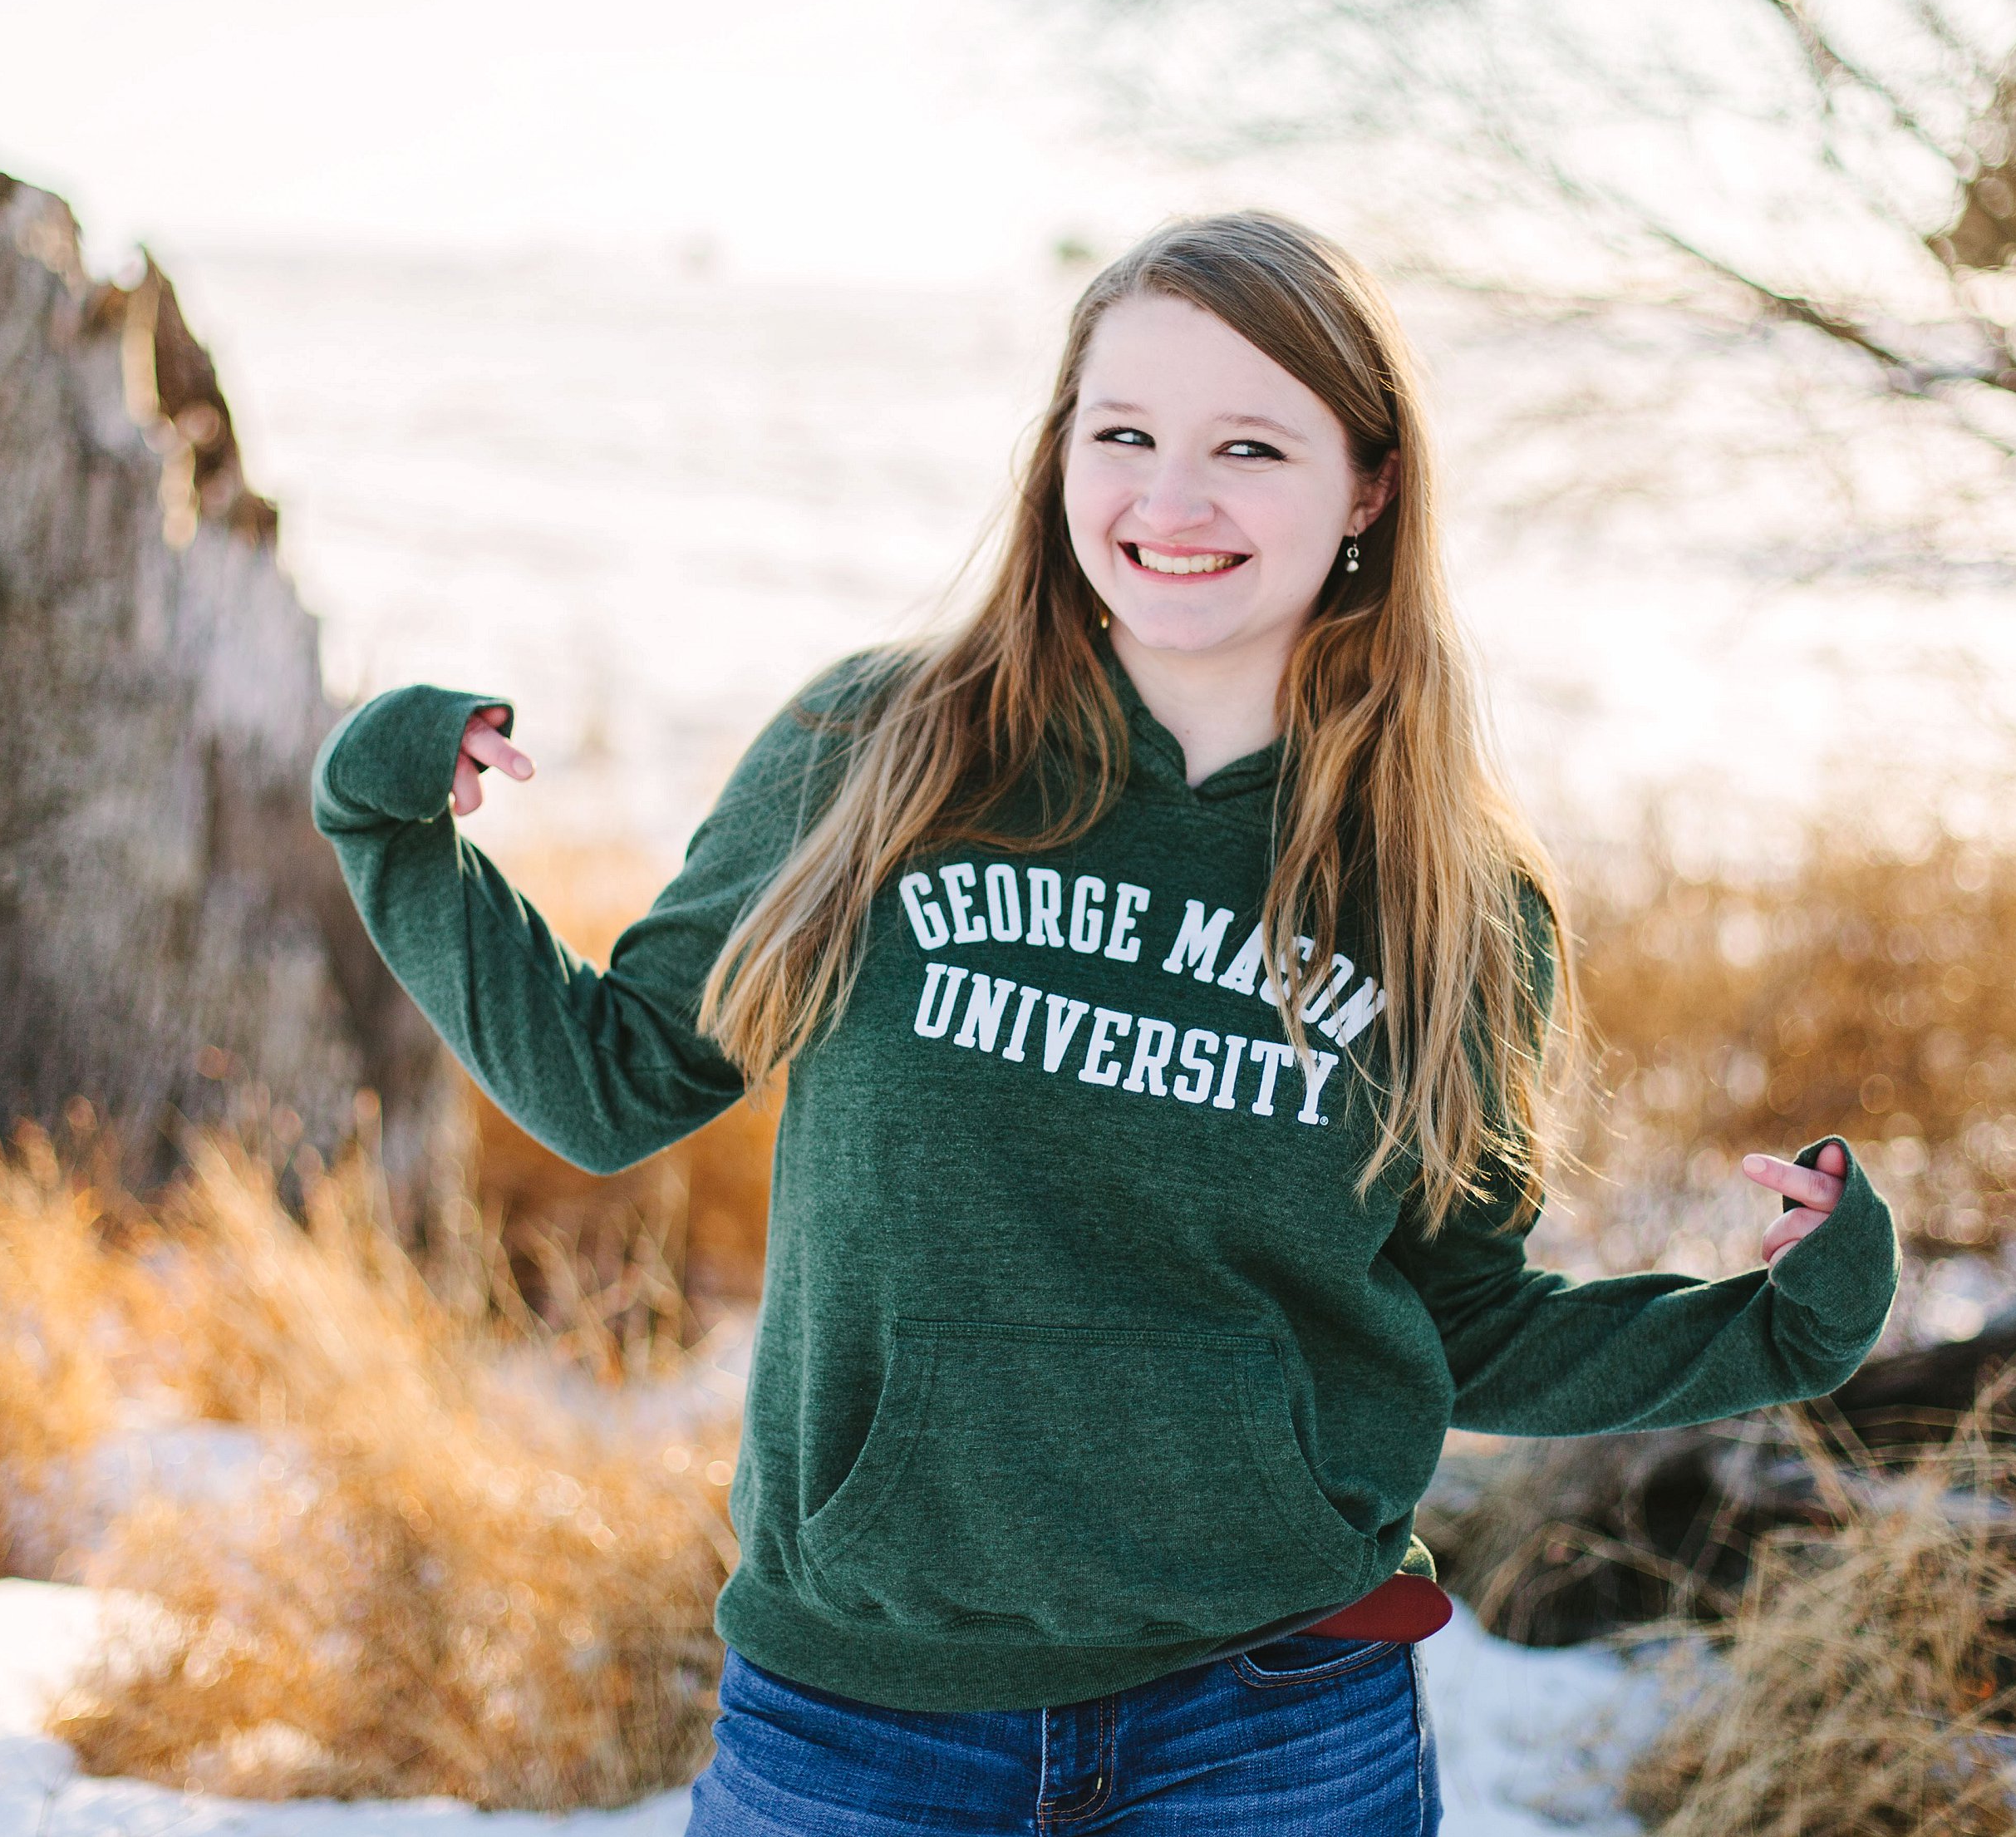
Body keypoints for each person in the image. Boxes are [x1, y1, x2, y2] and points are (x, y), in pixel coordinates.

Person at [312, 211, 1899, 1834]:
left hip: (1274, 1729)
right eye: (1123, 432)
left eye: (1250, 446)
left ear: (1369, 487)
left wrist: (1771, 1326)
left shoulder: (1447, 889)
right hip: (867, 1723)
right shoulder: (880, 751)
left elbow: (1459, 1323)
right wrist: (398, 832)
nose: (1171, 499)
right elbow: (612, 1081)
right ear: (1056, 452)